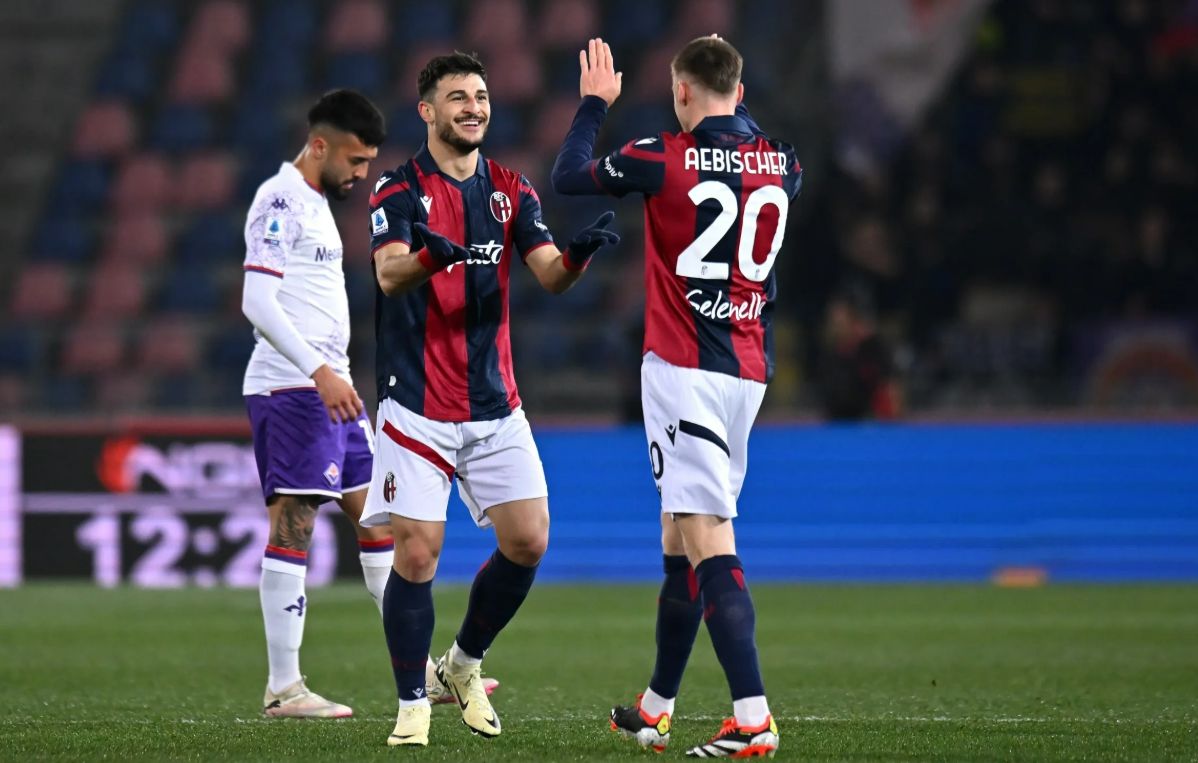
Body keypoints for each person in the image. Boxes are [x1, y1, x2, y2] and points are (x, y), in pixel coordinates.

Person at [552, 37, 803, 757]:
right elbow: (748, 149)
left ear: (682, 92)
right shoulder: (784, 161)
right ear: (741, 91)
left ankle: (752, 717)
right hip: (747, 369)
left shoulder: (661, 155)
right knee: (678, 537)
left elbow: (568, 176)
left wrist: (594, 103)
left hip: (684, 367)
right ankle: (655, 708)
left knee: (708, 537)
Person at [361, 52, 619, 747]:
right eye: (458, 98)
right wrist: (430, 256)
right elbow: (388, 274)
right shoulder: (397, 188)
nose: (473, 107)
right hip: (417, 403)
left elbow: (548, 274)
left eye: (479, 96)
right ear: (428, 111)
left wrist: (578, 257)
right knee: (418, 554)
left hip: (495, 403)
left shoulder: (511, 189)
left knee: (529, 540)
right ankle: (412, 705)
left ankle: (461, 664)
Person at [241, 90, 496, 719]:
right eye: (355, 160)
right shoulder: (279, 200)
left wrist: (334, 376)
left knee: (379, 522)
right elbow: (257, 301)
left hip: (334, 389)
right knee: (294, 522)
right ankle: (283, 687)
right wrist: (320, 371)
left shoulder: (316, 204)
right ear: (319, 145)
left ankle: (421, 671)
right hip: (294, 387)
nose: (361, 173)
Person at [817, 285, 902, 421]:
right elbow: (829, 398)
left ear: (853, 319)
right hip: (839, 422)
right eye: (833, 319)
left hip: (871, 422)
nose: (835, 324)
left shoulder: (872, 348)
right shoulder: (830, 354)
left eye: (840, 319)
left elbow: (890, 388)